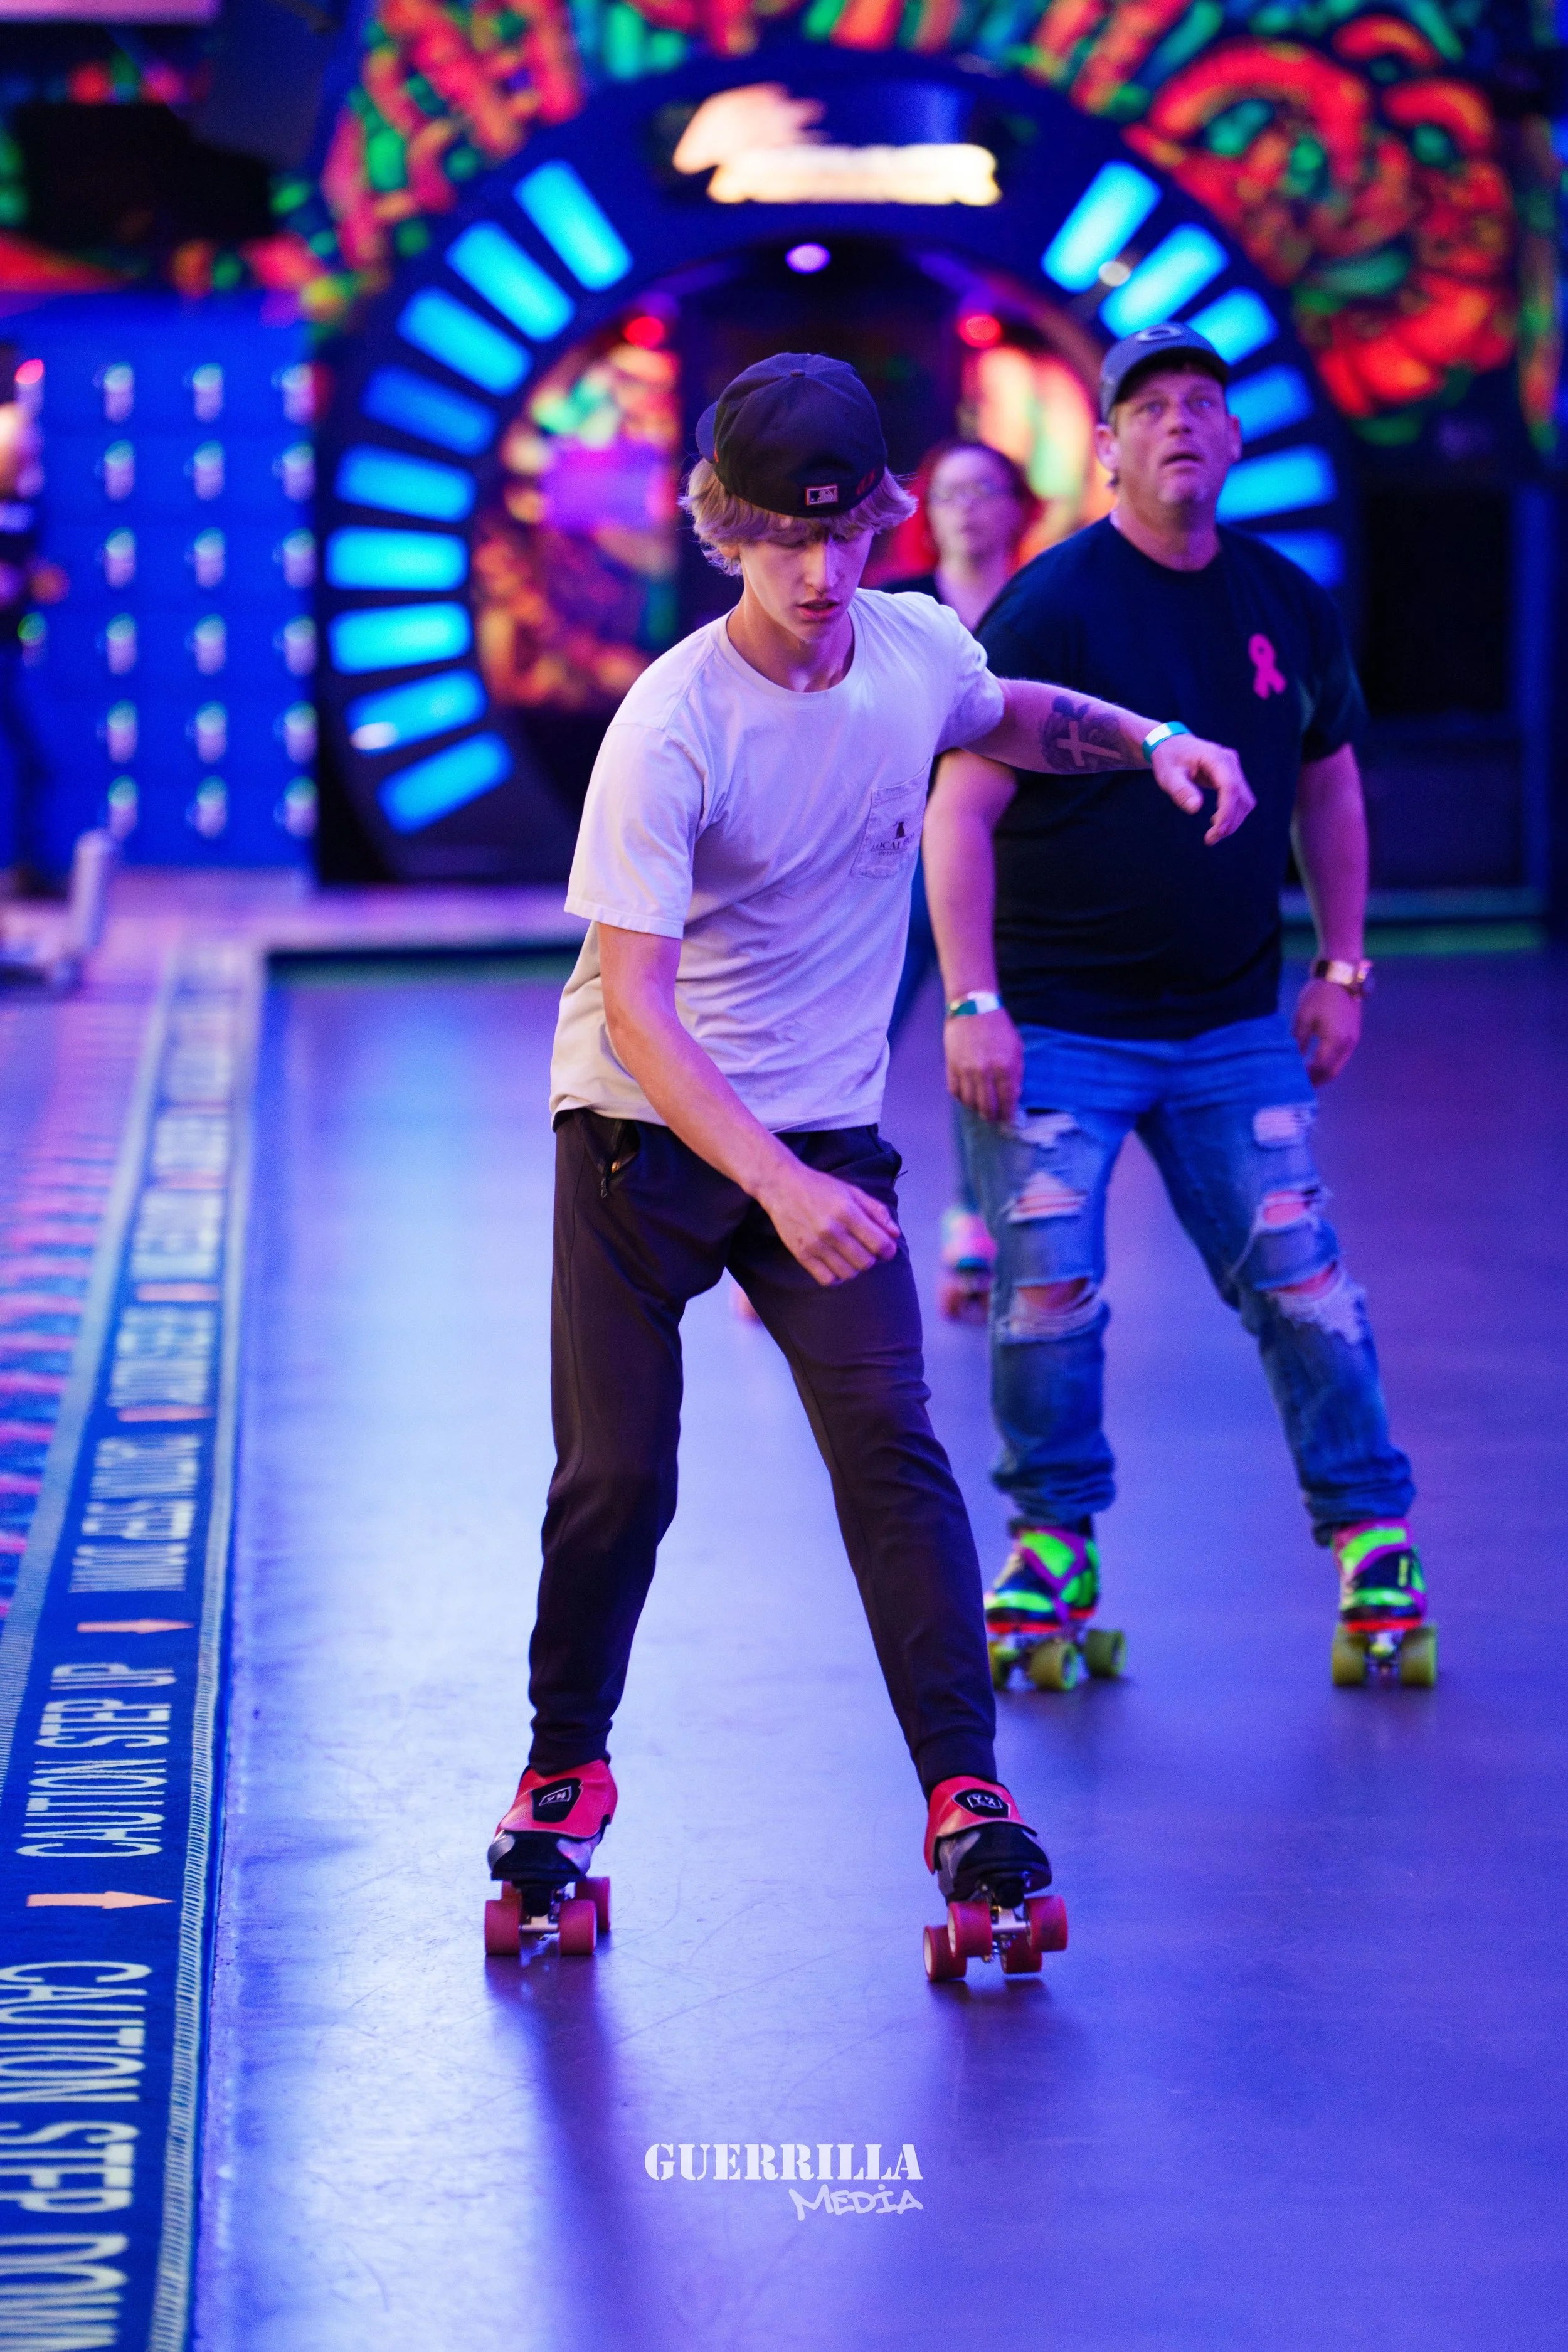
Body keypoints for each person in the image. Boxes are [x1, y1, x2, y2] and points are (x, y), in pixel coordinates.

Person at [485, 351, 1256, 1960]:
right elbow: (631, 1007)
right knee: (619, 1471)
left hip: (824, 1135)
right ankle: (564, 1770)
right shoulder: (668, 726)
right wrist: (772, 1181)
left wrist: (1158, 735)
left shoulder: (911, 647)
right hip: (647, 1131)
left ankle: (966, 1797)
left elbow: (1014, 713)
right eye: (784, 542)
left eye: (847, 538)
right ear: (725, 531)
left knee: (894, 1453)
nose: (822, 576)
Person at [922, 320, 1428, 1694]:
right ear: (1104, 451)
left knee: (1300, 1281)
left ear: (1235, 439)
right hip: (1056, 1028)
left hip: (1227, 1024)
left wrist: (1338, 967)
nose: (1182, 424)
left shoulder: (1284, 603)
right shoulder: (1050, 604)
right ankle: (1052, 1549)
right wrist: (971, 1002)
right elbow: (956, 810)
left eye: (1204, 405)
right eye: (1150, 410)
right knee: (1046, 1300)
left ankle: (1371, 1540)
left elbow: (1327, 783)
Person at [879, 441, 1038, 1322]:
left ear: (1019, 505)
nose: (966, 509)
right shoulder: (904, 616)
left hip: (1010, 864)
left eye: (983, 492)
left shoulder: (1046, 606)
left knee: (981, 1031)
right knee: (858, 1033)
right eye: (947, 494)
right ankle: (788, 1208)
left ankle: (974, 1223)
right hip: (900, 862)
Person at [0, 352, 57, 898]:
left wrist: (35, 579)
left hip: (11, 653)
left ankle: (29, 866)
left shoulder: (27, 507)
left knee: (39, 759)